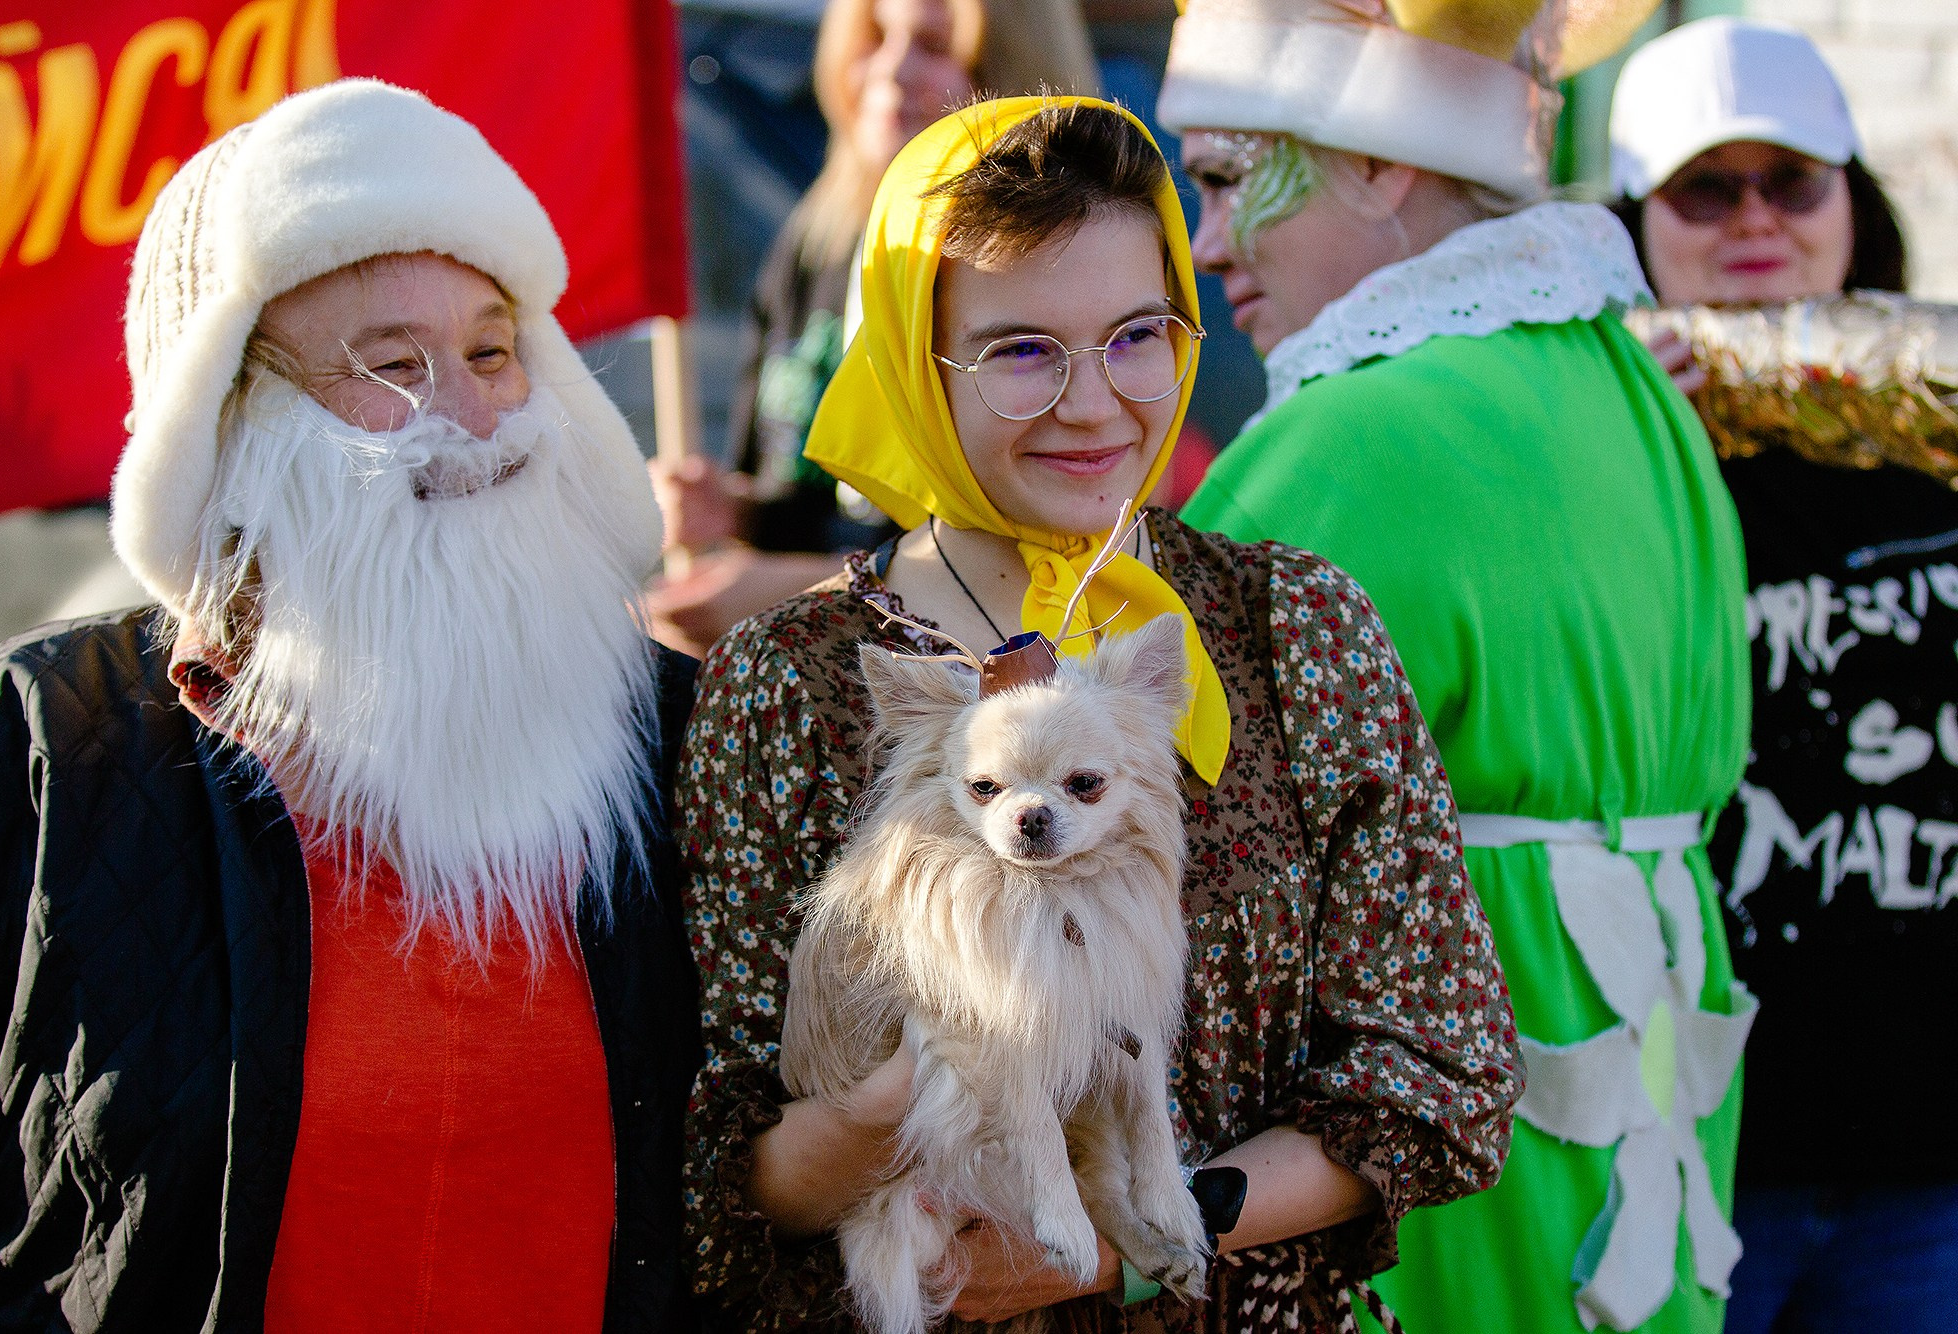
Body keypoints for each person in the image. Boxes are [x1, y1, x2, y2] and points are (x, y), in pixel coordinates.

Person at [676, 95, 1524, 1333]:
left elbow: (1435, 1071)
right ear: (915, 360)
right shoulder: (787, 680)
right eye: (1022, 350)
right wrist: (903, 1103)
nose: (1093, 401)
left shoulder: (1291, 626)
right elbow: (726, 1175)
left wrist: (1137, 1229)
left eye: (1137, 333)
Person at [0, 81, 698, 1331]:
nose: (469, 421)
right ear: (230, 425)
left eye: (489, 350)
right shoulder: (42, 742)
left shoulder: (679, 733)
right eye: (391, 368)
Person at [1158, 2, 1755, 1332]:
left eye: (1223, 176)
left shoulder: (1342, 437)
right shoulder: (1637, 386)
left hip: (1435, 1140)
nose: (1204, 247)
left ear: (1377, 159)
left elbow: (1181, 854)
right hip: (1633, 1105)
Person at [1611, 19, 1955, 1334]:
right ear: (1636, 216)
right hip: (1698, 1135)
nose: (1753, 217)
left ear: (1850, 204)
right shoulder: (1606, 443)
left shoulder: (1937, 430)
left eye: (1790, 180)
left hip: (1933, 1154)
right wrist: (1618, 430)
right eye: (1707, 186)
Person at [650, 0, 1099, 656]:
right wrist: (735, 509)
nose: (889, 71)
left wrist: (810, 591)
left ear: (1011, 75)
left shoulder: (1048, 279)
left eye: (934, 45)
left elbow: (1045, 558)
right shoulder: (814, 244)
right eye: (874, 37)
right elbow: (825, 502)